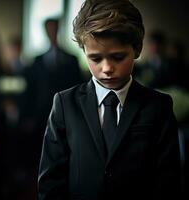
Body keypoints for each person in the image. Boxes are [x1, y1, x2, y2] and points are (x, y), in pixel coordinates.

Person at [38, 0, 181, 199]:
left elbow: (168, 181)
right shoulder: (64, 104)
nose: (106, 68)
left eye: (118, 57)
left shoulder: (158, 106)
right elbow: (50, 182)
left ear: (137, 49)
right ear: (84, 52)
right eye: (95, 59)